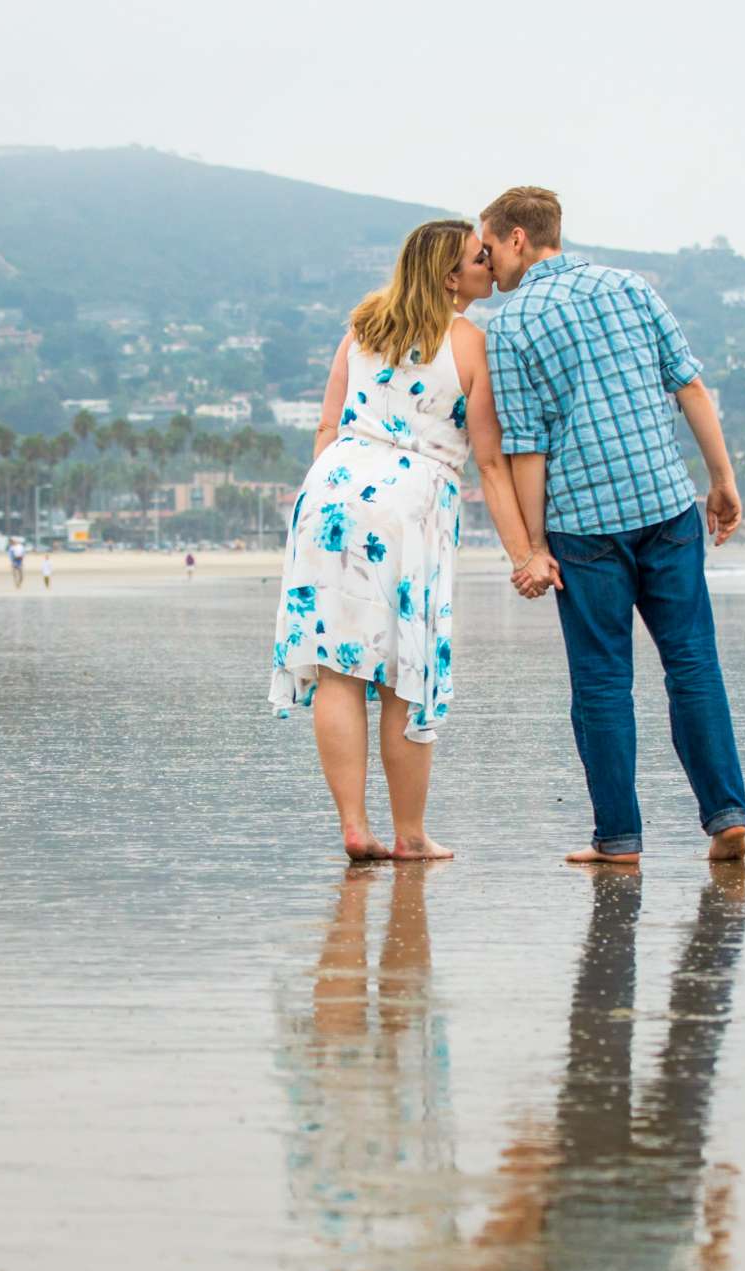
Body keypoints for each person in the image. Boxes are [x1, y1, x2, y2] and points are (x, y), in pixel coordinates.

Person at [479, 186, 745, 866]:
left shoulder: (509, 328)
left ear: (518, 238)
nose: (489, 263)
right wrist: (721, 480)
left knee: (602, 682)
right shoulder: (631, 288)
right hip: (666, 504)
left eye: (490, 246)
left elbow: (528, 447)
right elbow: (688, 386)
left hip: (584, 528)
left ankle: (619, 839)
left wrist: (536, 543)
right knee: (693, 663)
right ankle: (725, 815)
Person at [267, 218, 534, 862]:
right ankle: (410, 833)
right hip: (406, 505)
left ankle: (355, 827)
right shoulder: (470, 343)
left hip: (330, 491)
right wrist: (526, 551)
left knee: (337, 668)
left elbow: (327, 425)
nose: (489, 263)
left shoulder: (363, 326)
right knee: (403, 676)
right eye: (478, 257)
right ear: (450, 277)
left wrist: (334, 489)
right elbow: (492, 461)